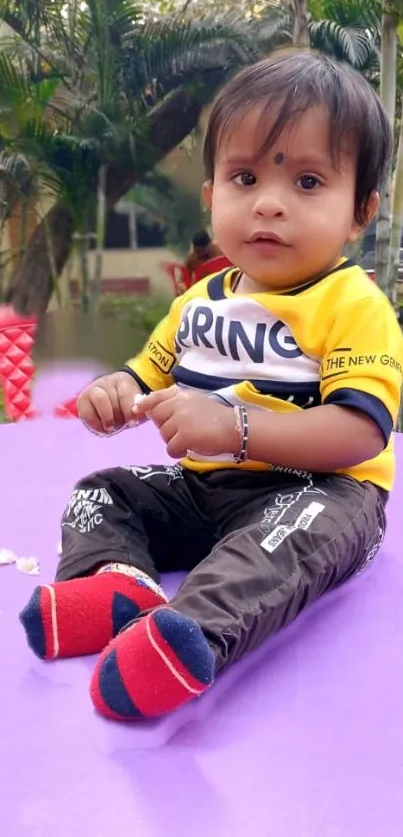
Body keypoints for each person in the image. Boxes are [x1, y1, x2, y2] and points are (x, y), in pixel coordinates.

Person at [20, 52, 403, 722]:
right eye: (244, 176)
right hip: (204, 487)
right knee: (103, 491)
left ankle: (187, 636)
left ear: (359, 211)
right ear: (211, 196)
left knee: (287, 538)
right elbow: (149, 369)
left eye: (308, 181)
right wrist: (114, 390)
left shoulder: (353, 305)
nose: (268, 202)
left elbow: (359, 432)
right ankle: (115, 585)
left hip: (319, 491)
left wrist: (235, 427)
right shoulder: (200, 300)